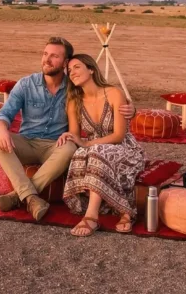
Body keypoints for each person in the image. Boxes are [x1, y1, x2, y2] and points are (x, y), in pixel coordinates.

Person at [0, 37, 136, 222]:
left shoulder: (74, 87)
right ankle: (30, 197)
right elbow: (5, 113)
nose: (47, 60)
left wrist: (132, 109)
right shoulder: (26, 84)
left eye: (54, 56)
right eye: (45, 54)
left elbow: (101, 95)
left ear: (65, 62)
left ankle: (17, 196)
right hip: (27, 142)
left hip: (56, 147)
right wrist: (2, 128)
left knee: (69, 147)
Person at [60, 53, 146, 237]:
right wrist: (68, 137)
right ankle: (123, 210)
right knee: (79, 155)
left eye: (77, 67)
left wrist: (87, 143)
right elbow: (76, 135)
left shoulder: (114, 93)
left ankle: (91, 217)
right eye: (69, 70)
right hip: (95, 148)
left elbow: (118, 135)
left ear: (91, 69)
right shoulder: (73, 101)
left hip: (124, 147)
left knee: (96, 151)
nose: (72, 72)